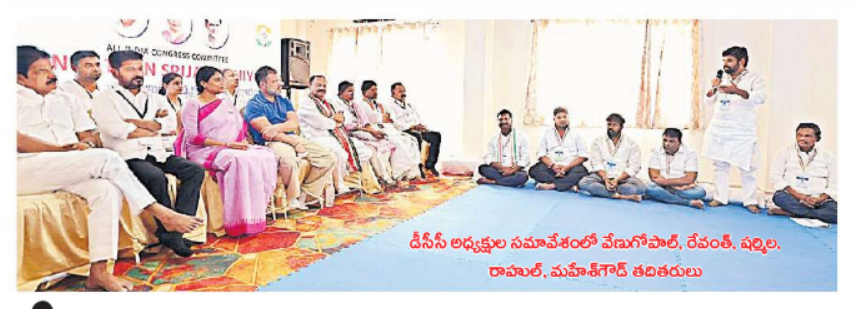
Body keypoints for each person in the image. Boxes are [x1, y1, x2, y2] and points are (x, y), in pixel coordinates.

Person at [17, 45, 201, 292]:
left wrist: (86, 144)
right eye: (41, 71)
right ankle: (161, 213)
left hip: (65, 165)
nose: (51, 74)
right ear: (20, 78)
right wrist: (66, 151)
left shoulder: (65, 98)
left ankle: (99, 273)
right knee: (106, 158)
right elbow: (18, 141)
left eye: (51, 68)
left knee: (106, 190)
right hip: (23, 168)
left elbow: (90, 133)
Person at [92, 50, 204, 257]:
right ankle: (166, 228)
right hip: (127, 156)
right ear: (115, 72)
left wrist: (134, 122)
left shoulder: (153, 98)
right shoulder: (104, 98)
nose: (137, 73)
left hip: (157, 152)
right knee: (156, 177)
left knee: (194, 170)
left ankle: (176, 230)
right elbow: (114, 129)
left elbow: (169, 124)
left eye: (140, 69)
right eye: (130, 69)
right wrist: (153, 125)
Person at [175, 66, 278, 236]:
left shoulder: (225, 101)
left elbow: (239, 126)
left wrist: (239, 143)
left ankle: (256, 213)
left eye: (222, 79)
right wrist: (226, 144)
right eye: (217, 80)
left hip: (228, 146)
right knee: (239, 160)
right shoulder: (192, 104)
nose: (222, 83)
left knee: (264, 155)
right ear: (203, 83)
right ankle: (238, 219)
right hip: (204, 150)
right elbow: (193, 137)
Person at [244, 66, 337, 208]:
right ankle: (292, 198)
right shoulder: (253, 104)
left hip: (289, 136)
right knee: (289, 161)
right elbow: (267, 133)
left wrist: (276, 127)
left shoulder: (284, 101)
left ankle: (306, 194)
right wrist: (293, 143)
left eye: (279, 80)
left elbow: (294, 123)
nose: (280, 84)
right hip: (271, 142)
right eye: (275, 81)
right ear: (262, 85)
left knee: (328, 158)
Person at [702, 46, 767, 214]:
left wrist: (736, 91)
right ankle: (720, 197)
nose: (725, 64)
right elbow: (709, 101)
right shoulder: (721, 78)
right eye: (724, 61)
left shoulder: (755, 79)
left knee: (748, 168)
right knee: (719, 165)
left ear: (742, 61)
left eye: (729, 61)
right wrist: (712, 89)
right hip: (719, 128)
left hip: (741, 130)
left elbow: (760, 98)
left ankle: (750, 201)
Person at [298, 75, 382, 194]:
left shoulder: (328, 103)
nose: (322, 88)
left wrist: (334, 120)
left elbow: (343, 118)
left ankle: (354, 182)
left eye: (324, 86)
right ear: (310, 86)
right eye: (318, 85)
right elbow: (321, 122)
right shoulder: (306, 103)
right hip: (316, 137)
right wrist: (334, 120)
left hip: (334, 135)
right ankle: (339, 184)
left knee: (364, 151)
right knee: (338, 152)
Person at [353, 80, 422, 181]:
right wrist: (383, 117)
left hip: (384, 126)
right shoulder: (362, 104)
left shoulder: (377, 104)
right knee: (398, 142)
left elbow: (387, 117)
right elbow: (374, 118)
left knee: (409, 139)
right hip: (373, 128)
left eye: (376, 89)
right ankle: (399, 172)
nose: (375, 92)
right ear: (365, 91)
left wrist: (383, 117)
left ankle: (410, 171)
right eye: (373, 90)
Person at [768, 123, 837, 224]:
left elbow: (835, 181)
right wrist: (800, 196)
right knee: (779, 197)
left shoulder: (828, 156)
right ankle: (815, 214)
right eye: (799, 135)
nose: (802, 138)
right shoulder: (784, 152)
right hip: (793, 197)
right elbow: (775, 176)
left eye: (807, 136)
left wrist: (820, 199)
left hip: (818, 199)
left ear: (817, 138)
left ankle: (793, 213)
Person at [333, 81, 397, 186]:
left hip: (362, 130)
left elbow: (365, 121)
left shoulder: (354, 104)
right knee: (372, 148)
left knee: (383, 142)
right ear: (341, 92)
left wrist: (373, 131)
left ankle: (387, 176)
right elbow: (348, 125)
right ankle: (383, 176)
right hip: (349, 133)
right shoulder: (337, 104)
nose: (352, 94)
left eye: (353, 91)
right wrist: (371, 131)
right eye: (349, 91)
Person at [579, 113, 646, 202]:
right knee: (583, 183)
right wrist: (606, 179)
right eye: (609, 124)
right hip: (602, 177)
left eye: (614, 125)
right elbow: (596, 163)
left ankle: (602, 191)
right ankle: (622, 196)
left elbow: (634, 166)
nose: (610, 127)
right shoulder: (598, 142)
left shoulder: (632, 144)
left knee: (641, 188)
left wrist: (617, 180)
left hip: (622, 178)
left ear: (621, 127)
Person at [385, 82, 442, 177]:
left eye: (404, 91)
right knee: (417, 137)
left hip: (416, 129)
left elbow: (417, 117)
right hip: (404, 130)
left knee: (435, 136)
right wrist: (411, 127)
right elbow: (394, 122)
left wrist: (421, 126)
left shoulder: (409, 104)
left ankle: (430, 165)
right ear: (393, 93)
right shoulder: (389, 105)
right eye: (400, 91)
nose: (403, 93)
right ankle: (418, 166)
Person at [529, 107, 588, 192]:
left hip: (570, 167)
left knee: (582, 171)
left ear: (568, 118)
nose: (562, 119)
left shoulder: (576, 133)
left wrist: (566, 167)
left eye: (565, 117)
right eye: (559, 117)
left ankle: (552, 185)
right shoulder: (547, 132)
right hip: (552, 167)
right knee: (534, 170)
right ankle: (568, 184)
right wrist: (553, 166)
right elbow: (540, 153)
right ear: (554, 119)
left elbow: (583, 155)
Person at [645, 128, 706, 209]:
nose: (667, 144)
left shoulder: (690, 153)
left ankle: (665, 196)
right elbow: (654, 177)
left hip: (681, 187)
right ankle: (687, 202)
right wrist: (672, 185)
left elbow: (690, 179)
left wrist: (668, 183)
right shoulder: (656, 151)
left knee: (700, 192)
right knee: (650, 188)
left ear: (679, 142)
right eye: (665, 140)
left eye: (671, 141)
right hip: (666, 186)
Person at [58, 50, 103, 147]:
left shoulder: (108, 91)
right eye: (88, 66)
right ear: (74, 68)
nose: (95, 69)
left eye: (97, 65)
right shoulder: (62, 91)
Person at [478, 109, 530, 187]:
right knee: (482, 168)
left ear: (511, 120)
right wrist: (501, 168)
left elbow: (526, 158)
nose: (503, 122)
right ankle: (509, 181)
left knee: (523, 177)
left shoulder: (522, 137)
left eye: (506, 119)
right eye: (500, 119)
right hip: (499, 170)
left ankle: (493, 182)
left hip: (515, 170)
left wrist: (512, 171)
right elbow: (488, 156)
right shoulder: (494, 138)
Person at [158, 73, 183, 151]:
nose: (180, 86)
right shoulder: (159, 101)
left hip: (182, 142)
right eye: (176, 83)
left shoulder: (185, 101)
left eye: (181, 83)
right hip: (165, 143)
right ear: (165, 86)